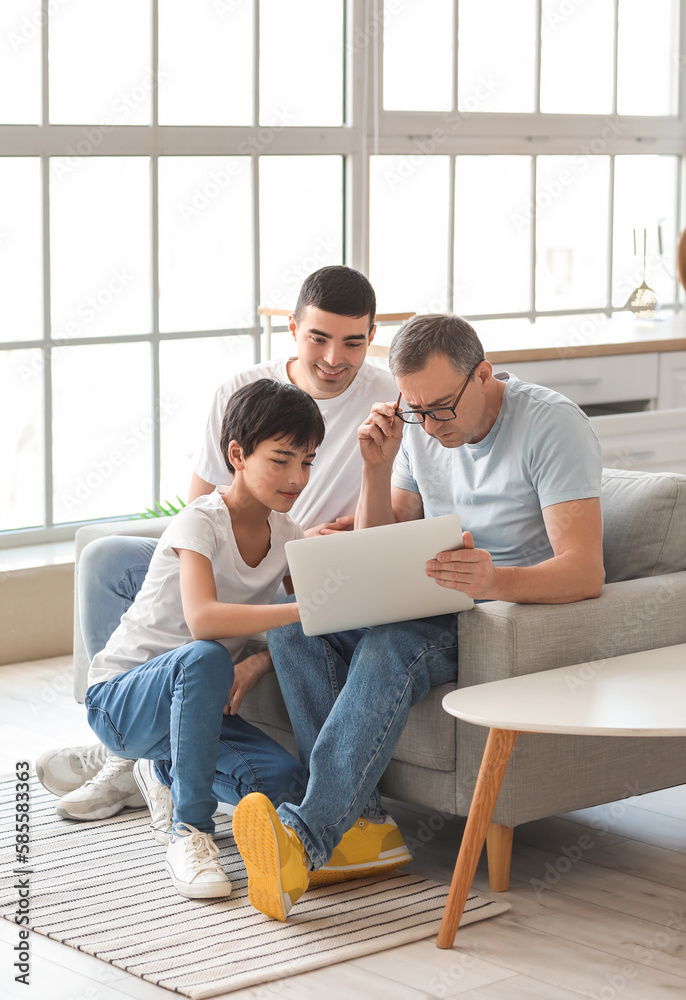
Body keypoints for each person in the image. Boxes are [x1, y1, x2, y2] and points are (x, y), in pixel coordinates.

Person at [229, 312, 605, 921]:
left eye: (440, 410)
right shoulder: (421, 425)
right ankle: (366, 829)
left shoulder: (550, 424)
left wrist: (493, 579)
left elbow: (585, 571)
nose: (429, 425)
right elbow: (383, 540)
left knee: (390, 646)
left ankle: (304, 837)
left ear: (483, 374)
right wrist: (376, 469)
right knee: (293, 621)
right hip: (429, 594)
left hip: (500, 615)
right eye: (415, 411)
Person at [37, 265, 397, 822]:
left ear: (372, 336)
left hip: (299, 555)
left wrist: (343, 529)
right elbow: (203, 509)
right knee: (107, 557)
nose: (333, 358)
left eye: (353, 342)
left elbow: (400, 516)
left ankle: (150, 758)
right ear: (293, 329)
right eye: (318, 338)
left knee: (284, 783)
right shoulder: (243, 390)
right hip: (233, 550)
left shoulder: (387, 399)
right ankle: (128, 731)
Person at [80, 379, 324, 898]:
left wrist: (259, 661)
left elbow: (306, 633)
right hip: (122, 700)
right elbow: (204, 621)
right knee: (206, 655)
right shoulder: (201, 521)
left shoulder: (290, 536)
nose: (296, 477)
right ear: (237, 454)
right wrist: (304, 608)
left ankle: (165, 771)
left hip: (199, 703)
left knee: (286, 783)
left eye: (307, 462)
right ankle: (189, 831)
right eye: (281, 460)